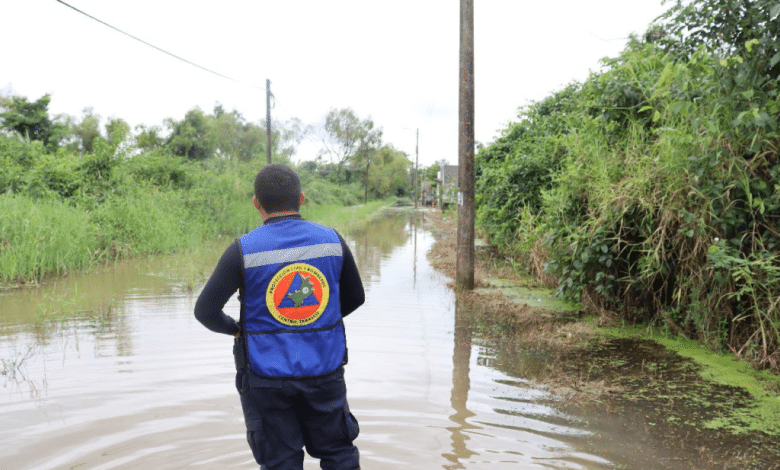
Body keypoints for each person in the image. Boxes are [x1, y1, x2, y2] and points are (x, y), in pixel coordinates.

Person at [194, 163, 365, 470]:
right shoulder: (331, 241)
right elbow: (356, 297)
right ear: (301, 198)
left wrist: (237, 330)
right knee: (339, 455)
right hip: (324, 370)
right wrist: (316, 322)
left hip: (265, 377)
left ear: (256, 203)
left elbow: (205, 311)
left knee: (280, 463)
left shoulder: (243, 250)